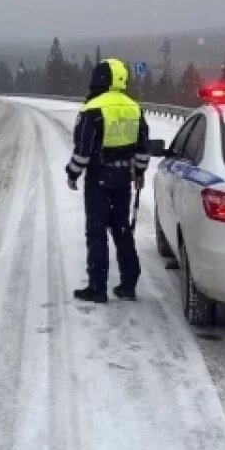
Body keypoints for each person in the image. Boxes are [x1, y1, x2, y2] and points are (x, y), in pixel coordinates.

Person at [66, 58, 150, 303]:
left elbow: (83, 150)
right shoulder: (134, 107)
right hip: (123, 179)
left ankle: (97, 286)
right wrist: (139, 172)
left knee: (96, 232)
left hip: (98, 178)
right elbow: (143, 148)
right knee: (122, 229)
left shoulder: (92, 108)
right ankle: (128, 284)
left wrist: (72, 174)